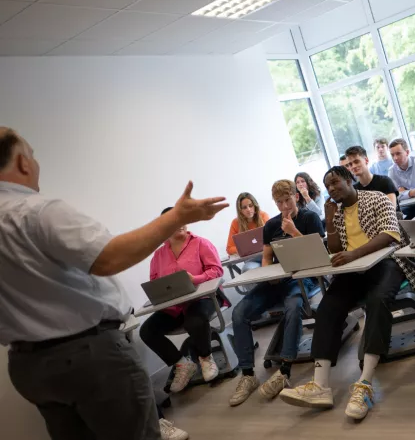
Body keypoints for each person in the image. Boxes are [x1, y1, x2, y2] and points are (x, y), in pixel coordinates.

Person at [0, 127, 228, 440]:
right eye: (34, 156)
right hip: (89, 358)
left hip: (29, 367)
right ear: (24, 162)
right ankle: (184, 365)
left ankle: (199, 360)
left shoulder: (200, 244)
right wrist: (176, 217)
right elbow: (108, 258)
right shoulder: (36, 211)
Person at [279, 167, 415, 420]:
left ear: (349, 180)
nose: (331, 188)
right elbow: (335, 248)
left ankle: (365, 383)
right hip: (354, 269)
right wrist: (329, 220)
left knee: (378, 301)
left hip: (387, 262)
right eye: (327, 186)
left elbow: (390, 234)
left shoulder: (376, 197)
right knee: (327, 307)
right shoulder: (337, 211)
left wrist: (355, 254)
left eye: (335, 182)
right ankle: (320, 385)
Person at [229, 180, 324, 407]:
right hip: (277, 280)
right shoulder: (271, 225)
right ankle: (248, 374)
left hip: (302, 277)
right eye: (279, 202)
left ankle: (284, 371)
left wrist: (293, 232)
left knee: (293, 307)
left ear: (296, 197)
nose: (284, 206)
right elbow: (266, 257)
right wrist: (267, 273)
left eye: (288, 200)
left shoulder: (309, 218)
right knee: (239, 312)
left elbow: (319, 253)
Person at [139, 208, 225, 392]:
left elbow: (217, 271)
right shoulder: (158, 255)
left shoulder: (201, 244)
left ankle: (205, 357)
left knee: (194, 320)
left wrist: (196, 279)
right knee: (147, 331)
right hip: (174, 306)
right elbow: (155, 281)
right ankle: (182, 364)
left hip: (204, 298)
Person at [226, 192, 270, 270]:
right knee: (247, 269)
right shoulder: (236, 223)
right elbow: (229, 248)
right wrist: (244, 249)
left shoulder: (263, 216)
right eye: (244, 207)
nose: (248, 209)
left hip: (268, 255)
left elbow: (273, 237)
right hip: (251, 260)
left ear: (255, 206)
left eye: (250, 206)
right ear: (240, 210)